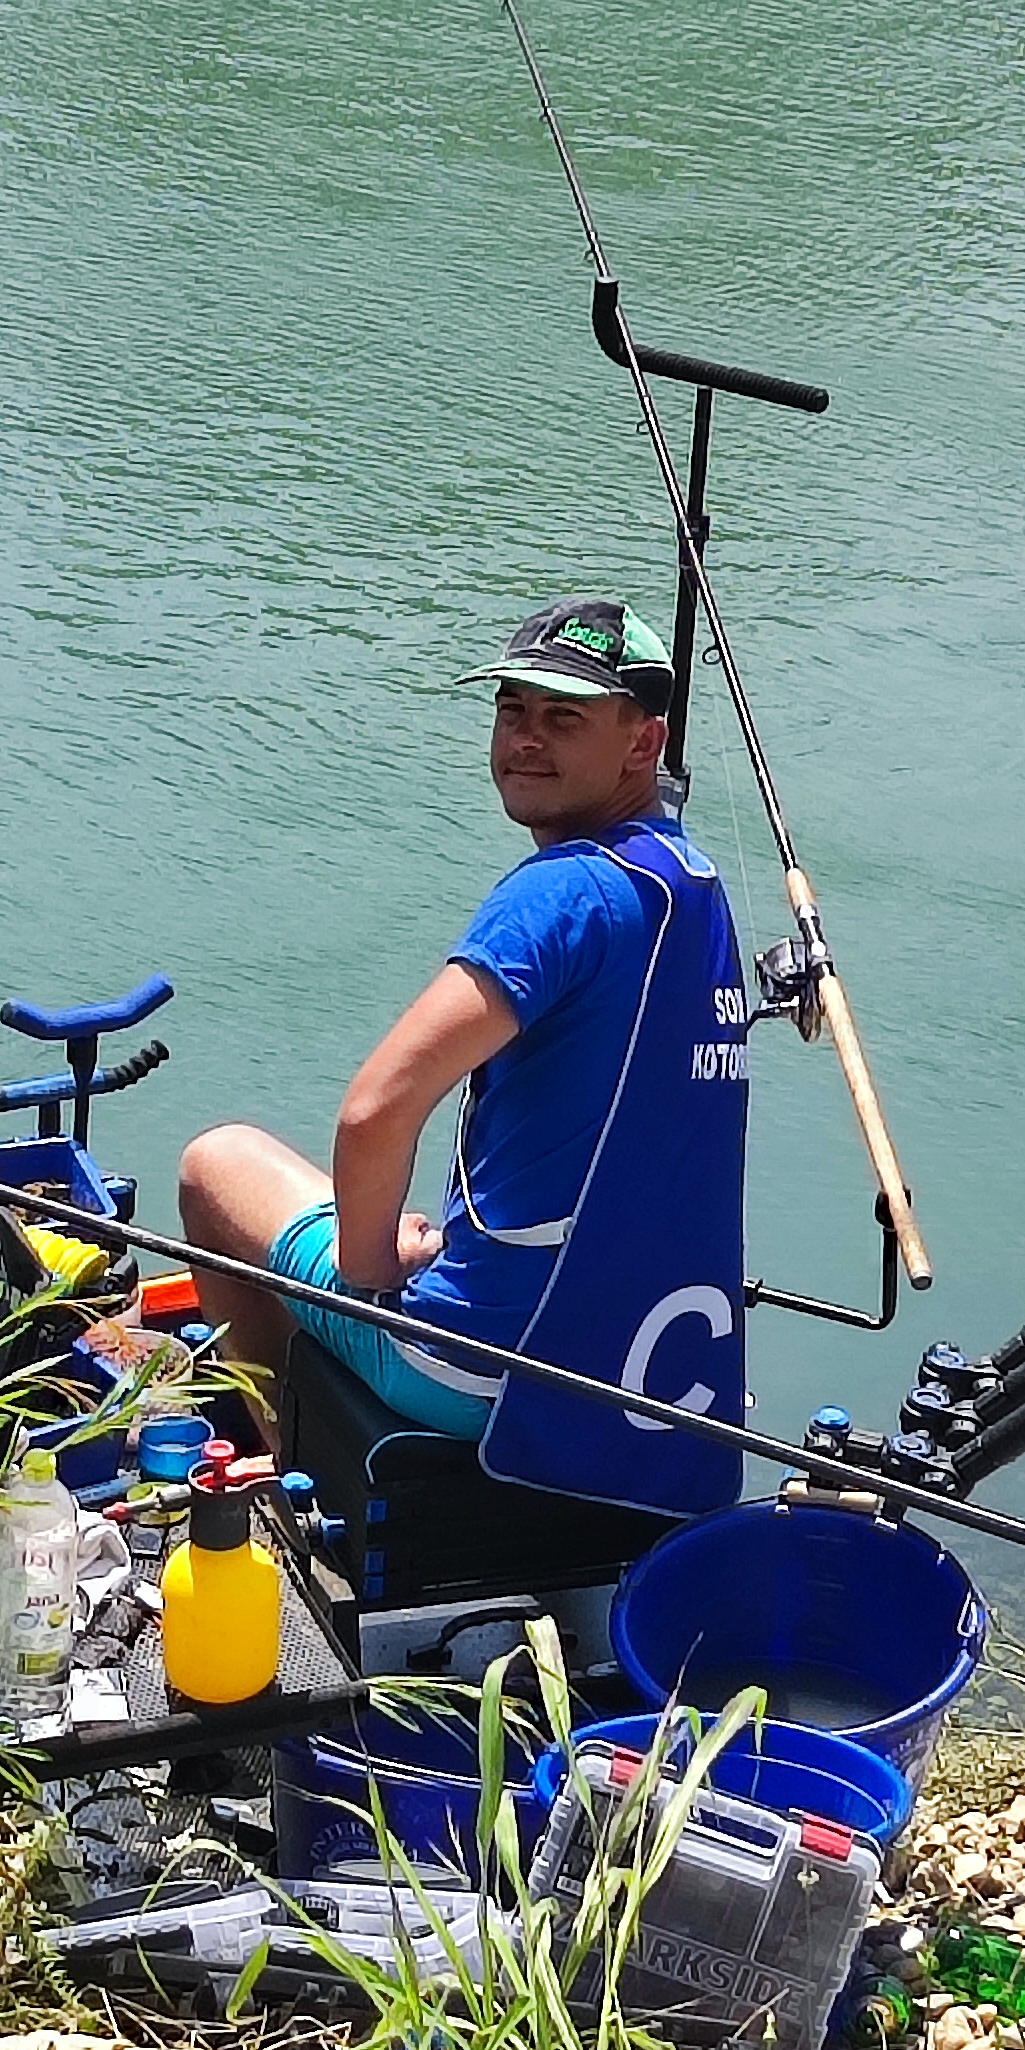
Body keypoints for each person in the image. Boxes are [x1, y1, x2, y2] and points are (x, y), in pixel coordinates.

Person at [178, 596, 751, 1513]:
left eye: (564, 717)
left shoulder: (560, 896)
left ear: (644, 745)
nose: (526, 739)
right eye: (512, 710)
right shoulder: (694, 888)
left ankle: (288, 1467)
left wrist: (371, 1270)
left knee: (220, 1166)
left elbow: (375, 1112)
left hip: (483, 1368)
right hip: (634, 1363)